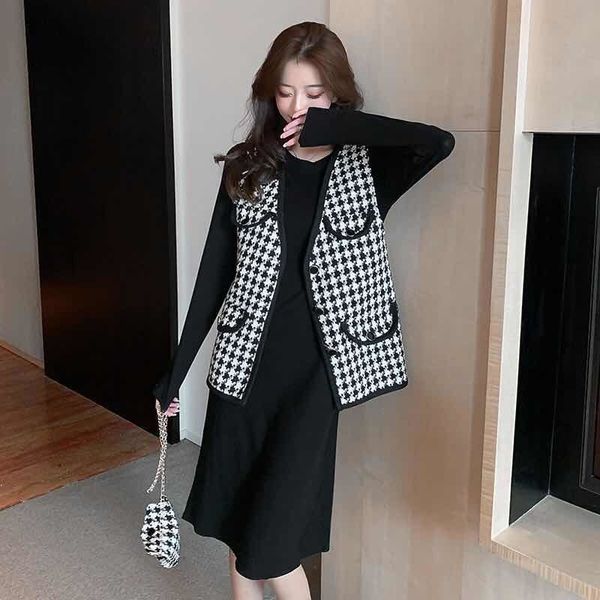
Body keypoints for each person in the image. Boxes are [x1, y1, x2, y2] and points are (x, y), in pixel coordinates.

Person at [153, 21, 455, 600]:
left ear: (336, 93)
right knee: (242, 526)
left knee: (272, 545)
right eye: (286, 92)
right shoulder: (247, 165)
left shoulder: (368, 167)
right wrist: (176, 372)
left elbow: (437, 142)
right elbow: (214, 273)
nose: (296, 107)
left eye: (314, 94)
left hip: (315, 378)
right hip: (244, 368)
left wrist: (340, 126)